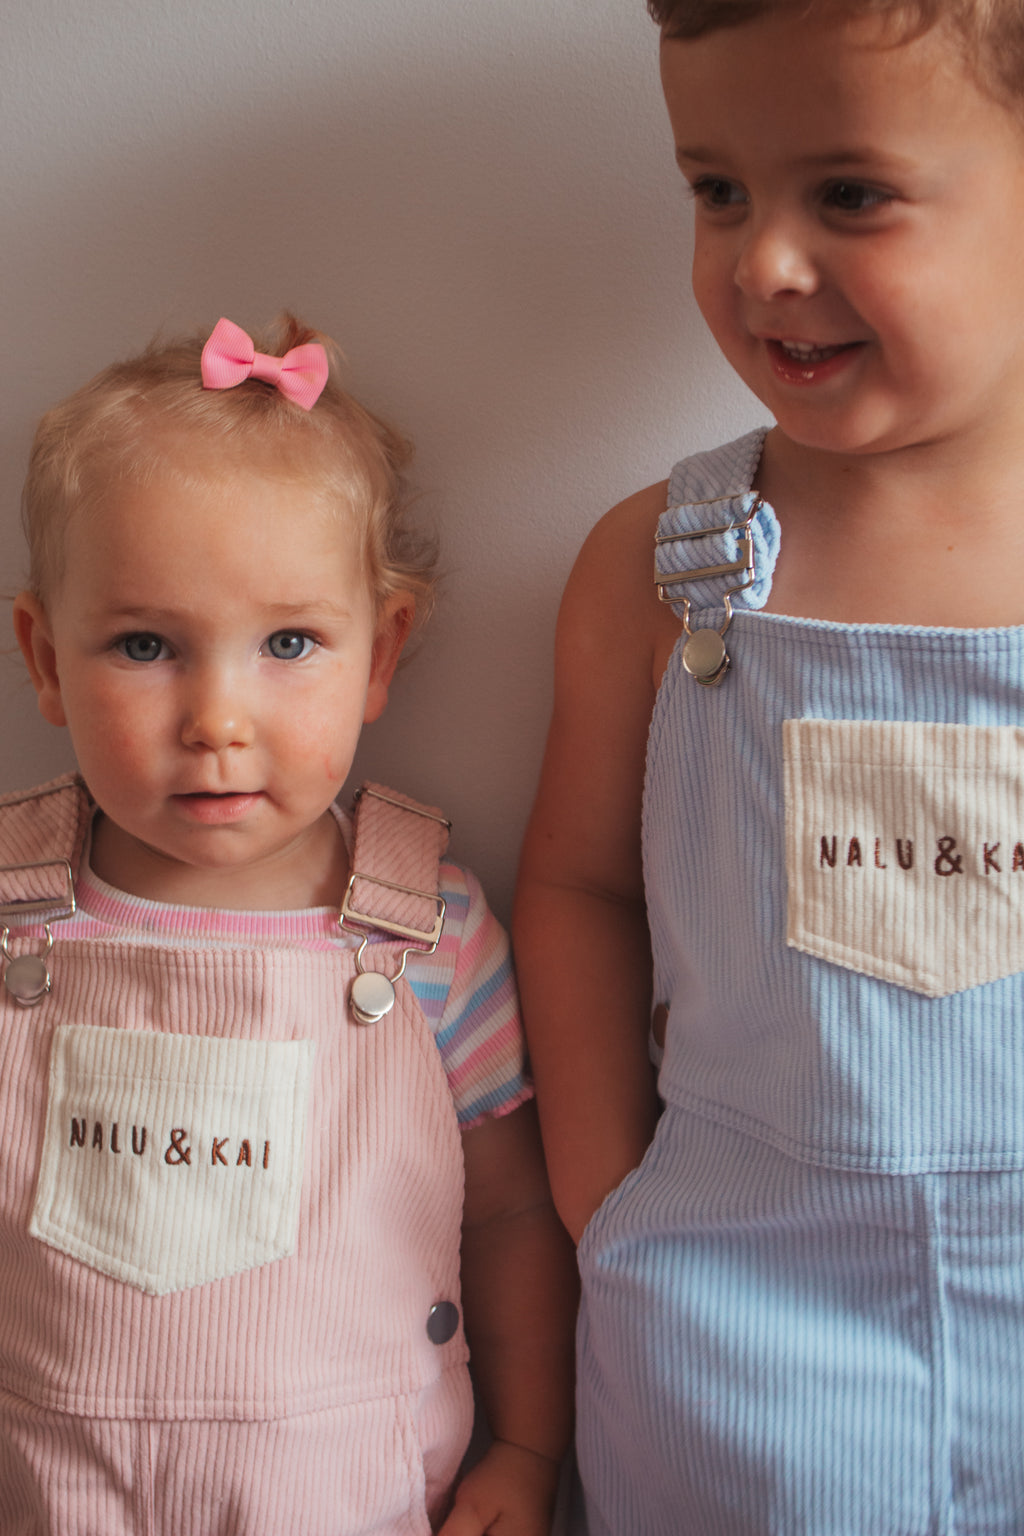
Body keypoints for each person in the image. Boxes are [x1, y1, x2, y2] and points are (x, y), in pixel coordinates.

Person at [513, 0, 1024, 1529]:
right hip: (739, 1328)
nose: (762, 266)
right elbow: (580, 883)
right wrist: (611, 1210)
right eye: (718, 189)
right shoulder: (659, 570)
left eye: (849, 193)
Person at [1, 315, 575, 1535]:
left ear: (382, 655)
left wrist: (528, 1445)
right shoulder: (11, 923)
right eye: (145, 646)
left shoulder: (429, 935)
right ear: (44, 658)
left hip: (346, 1491)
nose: (218, 716)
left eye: (289, 644)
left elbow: (513, 1213)